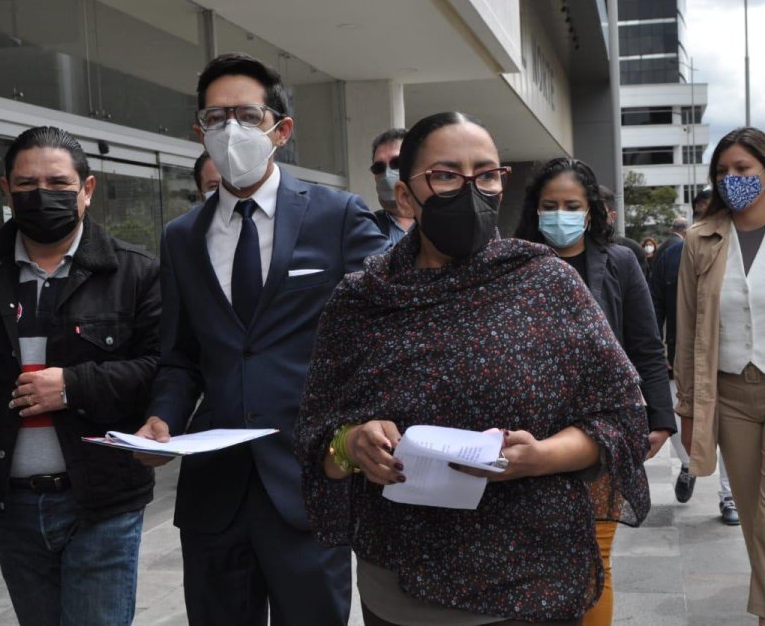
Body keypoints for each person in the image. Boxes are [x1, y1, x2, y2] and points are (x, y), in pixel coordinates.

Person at [295, 112, 651, 626]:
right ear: (405, 197)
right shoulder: (361, 301)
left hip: (532, 579)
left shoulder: (545, 284)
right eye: (445, 175)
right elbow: (316, 438)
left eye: (486, 175)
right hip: (400, 587)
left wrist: (542, 457)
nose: (471, 191)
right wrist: (351, 445)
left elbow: (622, 419)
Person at [136, 53, 388, 626]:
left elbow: (380, 333)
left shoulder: (338, 215)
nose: (230, 129)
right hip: (213, 492)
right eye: (215, 116)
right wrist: (162, 418)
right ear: (199, 130)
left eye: (246, 115)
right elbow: (180, 356)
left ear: (281, 129)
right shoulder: (182, 237)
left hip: (307, 478)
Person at [0, 126, 162, 626]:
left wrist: (72, 386)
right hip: (13, 505)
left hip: (102, 502)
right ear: (5, 191)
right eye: (26, 184)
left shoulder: (134, 272)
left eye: (58, 182)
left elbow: (161, 368)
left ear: (87, 189)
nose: (41, 195)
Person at [514, 157, 674, 626]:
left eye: (571, 204)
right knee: (533, 558)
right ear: (534, 210)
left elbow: (645, 343)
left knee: (595, 555)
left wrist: (659, 419)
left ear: (591, 211)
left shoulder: (620, 261)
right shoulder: (513, 260)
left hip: (599, 430)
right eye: (550, 205)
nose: (559, 214)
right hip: (532, 430)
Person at [675, 127, 765, 626]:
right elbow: (688, 328)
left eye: (742, 169)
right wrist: (689, 409)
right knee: (753, 516)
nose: (731, 179)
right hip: (730, 394)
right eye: (722, 172)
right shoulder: (701, 239)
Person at [651, 218, 737, 522]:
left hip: (728, 359)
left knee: (729, 430)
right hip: (680, 355)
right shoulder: (672, 253)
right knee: (679, 416)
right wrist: (660, 349)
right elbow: (656, 303)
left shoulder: (742, 250)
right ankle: (689, 464)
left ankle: (730, 497)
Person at [369, 128, 414, 247]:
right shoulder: (366, 227)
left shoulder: (443, 223)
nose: (387, 174)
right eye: (379, 168)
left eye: (397, 163)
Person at [599, 186, 649, 277]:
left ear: (612, 216)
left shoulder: (631, 250)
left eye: (598, 212)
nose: (591, 217)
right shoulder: (574, 249)